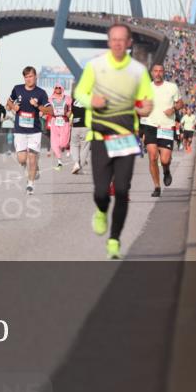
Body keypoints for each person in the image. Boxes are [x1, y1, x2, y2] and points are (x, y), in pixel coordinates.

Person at [74, 23, 153, 259]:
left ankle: (114, 240)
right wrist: (92, 101)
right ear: (108, 42)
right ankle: (100, 211)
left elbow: (145, 102)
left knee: (121, 190)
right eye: (113, 39)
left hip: (127, 138)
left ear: (129, 43)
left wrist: (146, 108)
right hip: (100, 137)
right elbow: (80, 93)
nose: (118, 43)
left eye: (122, 39)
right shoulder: (95, 67)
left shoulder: (139, 71)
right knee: (100, 192)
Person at [7, 66, 51, 195]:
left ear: (35, 77)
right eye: (26, 77)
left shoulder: (41, 93)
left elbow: (50, 111)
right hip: (20, 130)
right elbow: (8, 103)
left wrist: (37, 105)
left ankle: (30, 184)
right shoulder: (17, 89)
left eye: (30, 76)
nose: (28, 79)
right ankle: (33, 167)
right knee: (21, 159)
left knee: (32, 158)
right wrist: (13, 106)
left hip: (34, 131)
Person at [140, 64, 180, 198]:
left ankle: (166, 170)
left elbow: (180, 103)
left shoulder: (172, 87)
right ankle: (157, 186)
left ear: (164, 73)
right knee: (152, 157)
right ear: (151, 73)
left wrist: (173, 109)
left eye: (160, 71)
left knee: (164, 159)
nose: (158, 73)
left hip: (167, 127)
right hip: (151, 126)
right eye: (155, 71)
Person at [47, 85, 72, 170]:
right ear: (54, 89)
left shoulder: (67, 98)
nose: (58, 89)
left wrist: (69, 113)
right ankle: (59, 161)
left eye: (59, 88)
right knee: (54, 143)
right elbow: (47, 109)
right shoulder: (50, 99)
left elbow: (70, 109)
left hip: (65, 121)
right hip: (55, 121)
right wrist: (43, 113)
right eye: (56, 88)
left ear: (62, 89)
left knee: (63, 143)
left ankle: (68, 148)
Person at [69, 97, 89, 175]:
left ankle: (76, 163)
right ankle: (80, 167)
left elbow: (71, 112)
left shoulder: (74, 100)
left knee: (74, 145)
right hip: (87, 126)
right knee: (85, 147)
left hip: (76, 125)